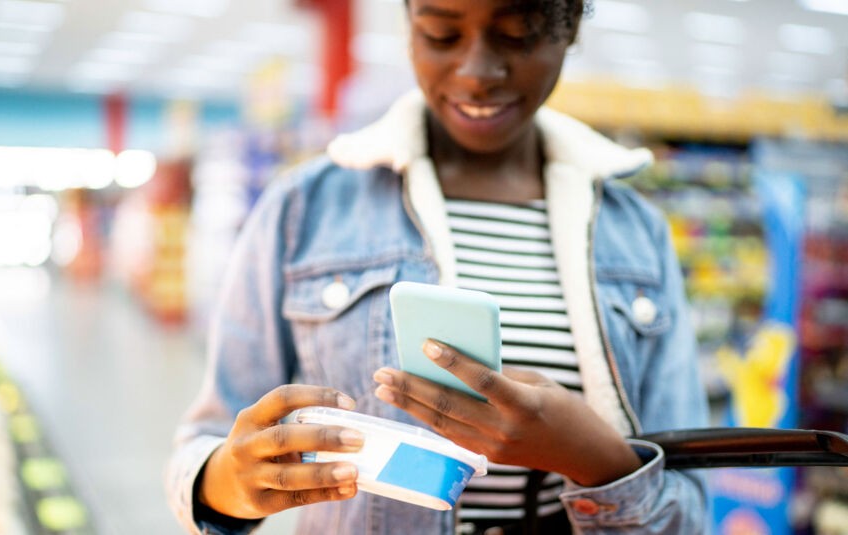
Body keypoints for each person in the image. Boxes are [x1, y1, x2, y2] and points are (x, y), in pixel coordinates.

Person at [166, 0, 710, 533]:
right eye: (441, 34)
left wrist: (594, 457)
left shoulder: (636, 233)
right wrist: (230, 481)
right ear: (409, 28)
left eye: (519, 33)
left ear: (569, 30)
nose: (477, 72)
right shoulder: (303, 210)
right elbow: (206, 443)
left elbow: (688, 507)